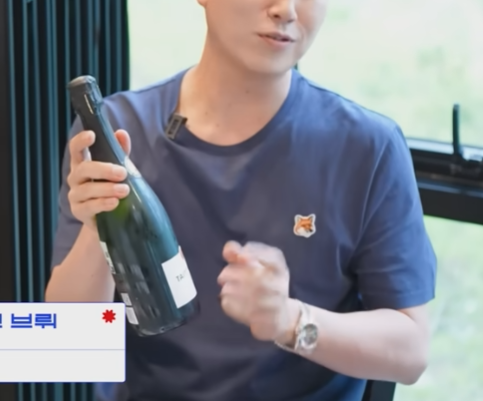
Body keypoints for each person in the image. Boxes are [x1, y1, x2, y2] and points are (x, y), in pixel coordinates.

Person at [45, 0, 436, 400]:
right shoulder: (117, 133)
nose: (286, 10)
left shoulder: (366, 147)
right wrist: (100, 226)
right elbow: (66, 347)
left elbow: (411, 352)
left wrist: (291, 320)